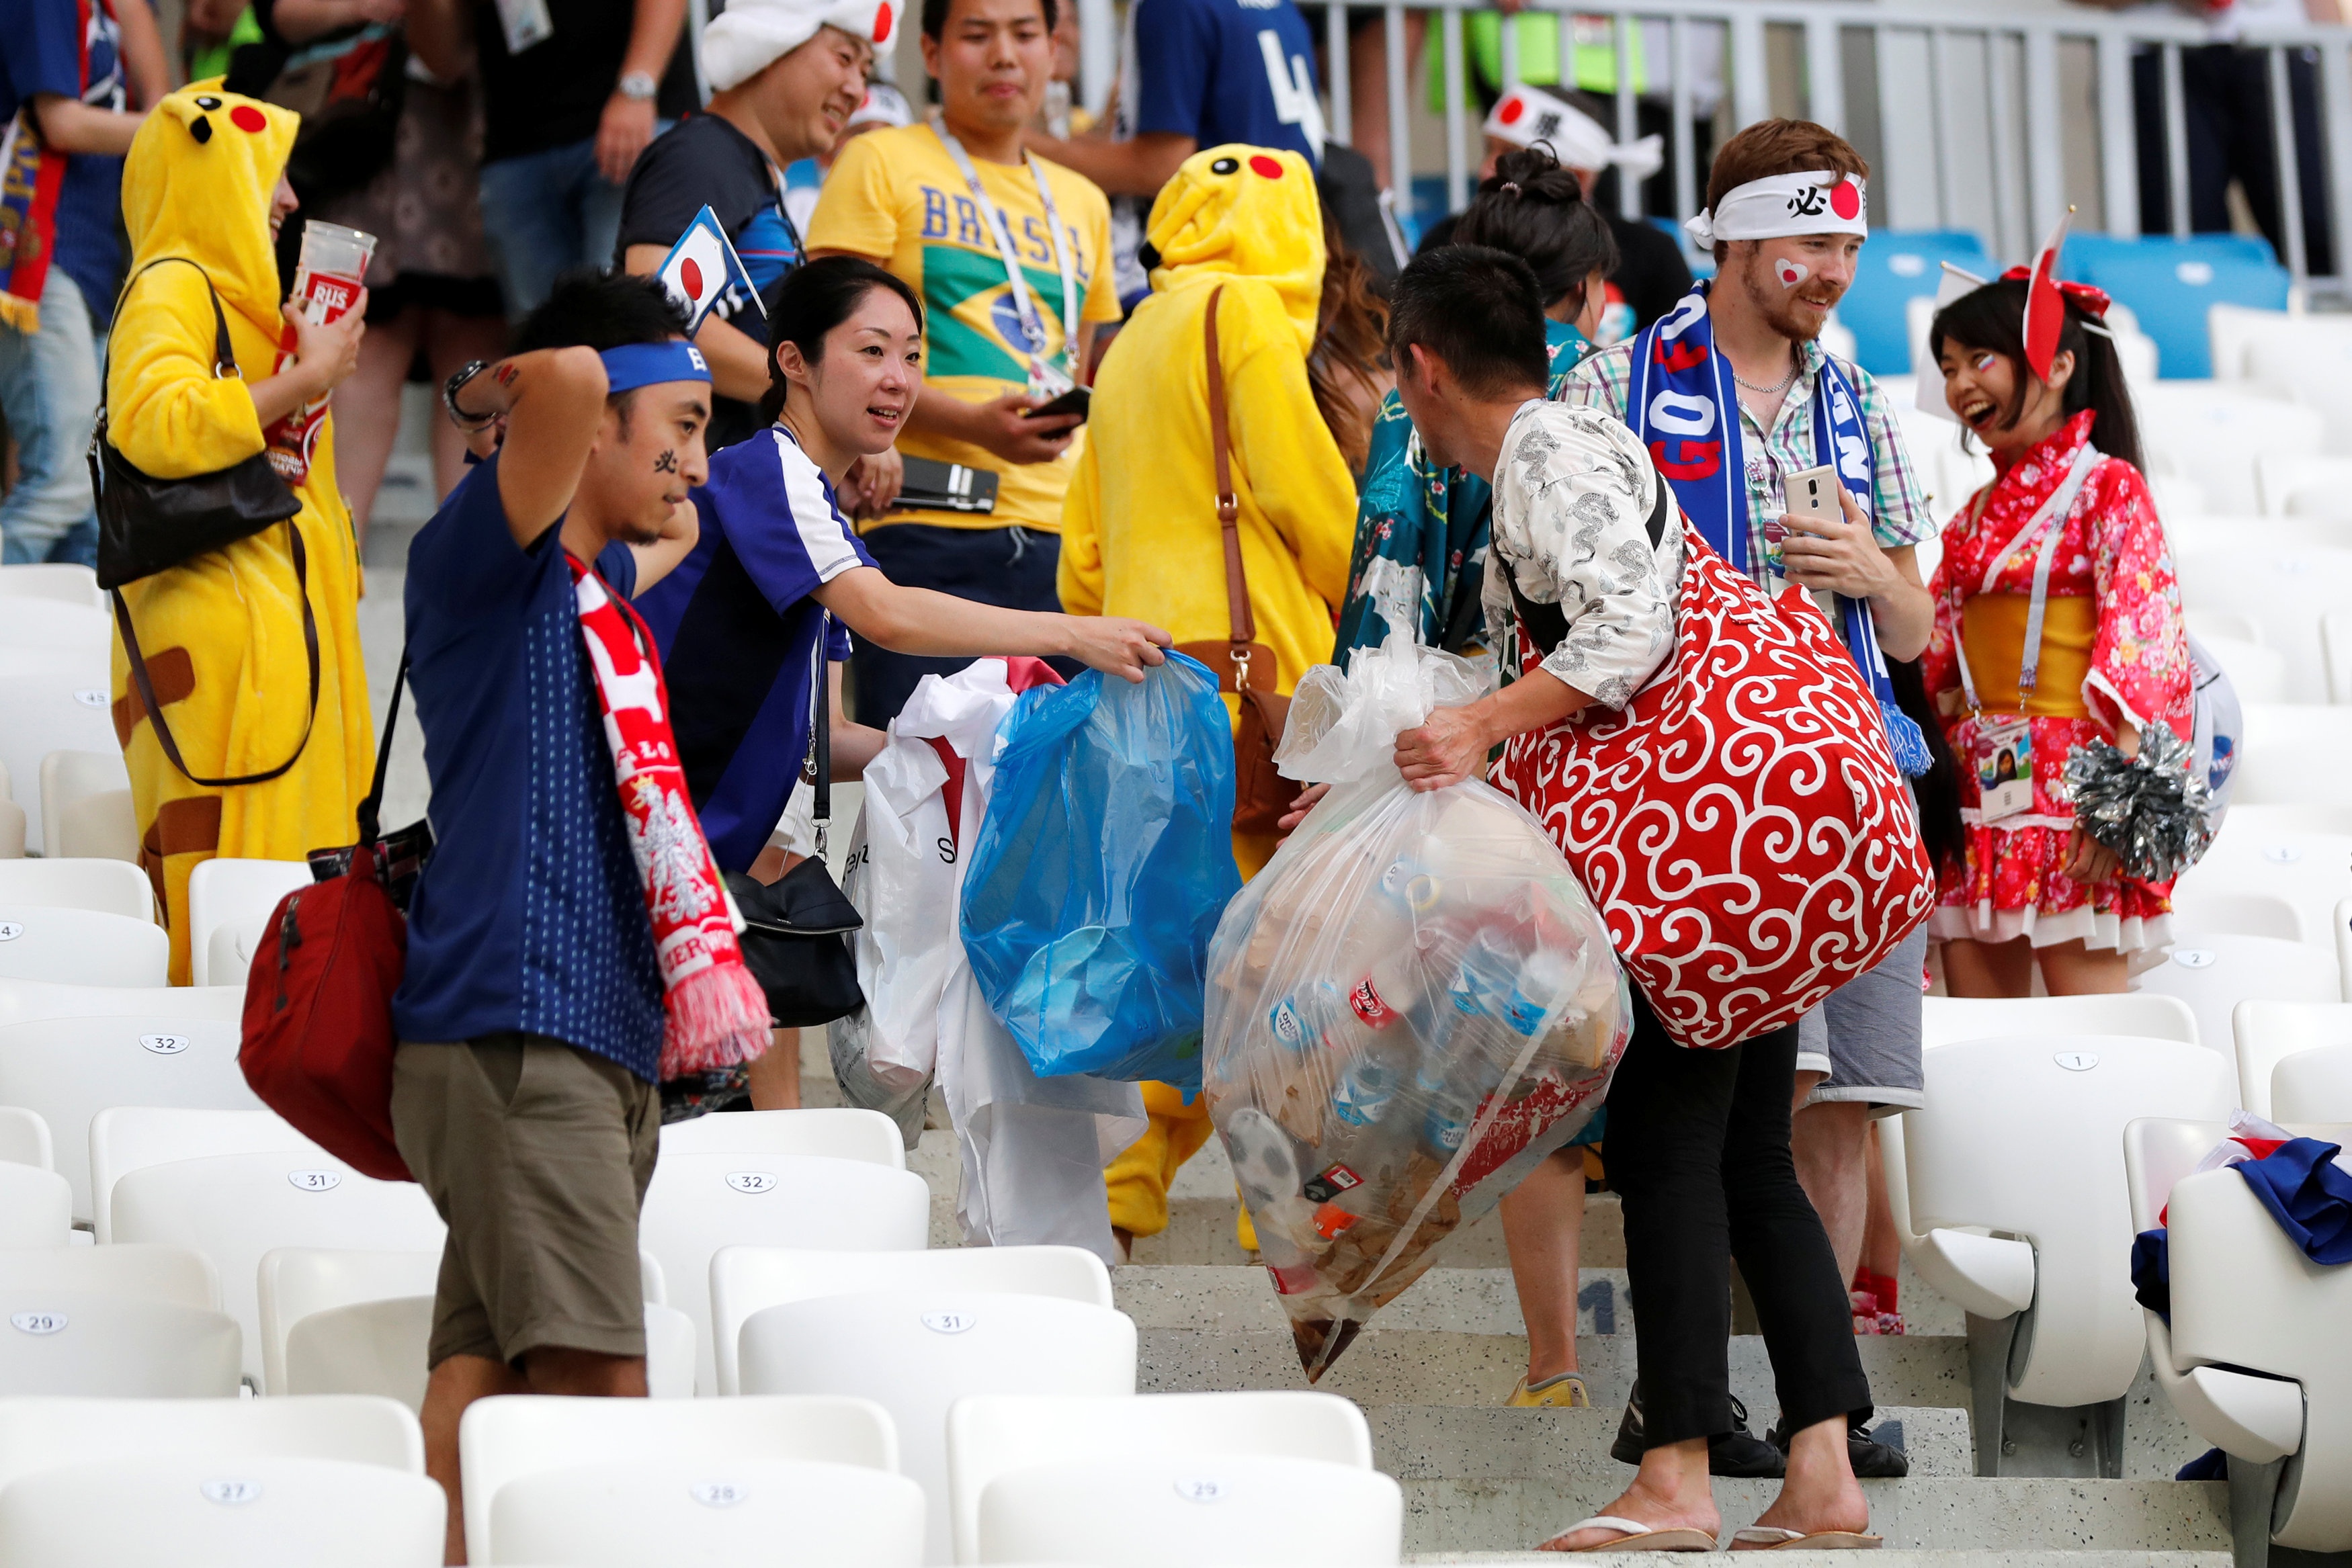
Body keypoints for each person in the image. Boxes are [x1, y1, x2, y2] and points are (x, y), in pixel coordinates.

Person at [1379, 242, 1876, 1555]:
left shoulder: (1543, 460)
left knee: (1664, 1151)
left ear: (1422, 369)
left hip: (1701, 857)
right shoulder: (1575, 444)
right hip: (1753, 839)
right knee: (1749, 1156)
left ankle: (1674, 1476)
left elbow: (1624, 633)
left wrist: (1480, 723)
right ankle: (1820, 1473)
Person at [1560, 121, 1932, 1465]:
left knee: (1827, 1112)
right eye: (1805, 240)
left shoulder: (1858, 401)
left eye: (1846, 241)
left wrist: (1872, 574)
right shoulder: (1616, 382)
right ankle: (1701, 1396)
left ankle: (1815, 1411)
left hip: (1841, 802)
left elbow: (1914, 629)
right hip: (1692, 806)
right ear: (1729, 235)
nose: (1831, 268)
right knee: (1716, 1117)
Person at [636, 254, 1170, 1112]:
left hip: (702, 861)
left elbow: (827, 739)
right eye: (872, 350)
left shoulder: (820, 509)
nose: (898, 379)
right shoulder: (764, 471)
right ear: (793, 363)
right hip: (649, 846)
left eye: (914, 357)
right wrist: (1072, 633)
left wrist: (977, 751)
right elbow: (884, 614)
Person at [394, 271, 731, 1563]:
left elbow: (677, 526)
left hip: (569, 1039)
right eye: (686, 424)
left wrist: (651, 433)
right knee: (600, 1403)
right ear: (584, 423)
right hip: (522, 1033)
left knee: (479, 1390)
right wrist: (500, 392)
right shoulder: (479, 555)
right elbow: (581, 381)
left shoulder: (597, 599)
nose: (698, 464)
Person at [1060, 144, 1359, 1259]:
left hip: (1139, 675)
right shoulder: (1247, 316)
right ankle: (1275, 1202)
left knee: (1184, 945)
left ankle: (1132, 1180)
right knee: (1281, 952)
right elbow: (1303, 489)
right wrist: (1367, 597)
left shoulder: (1133, 335)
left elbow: (1078, 561)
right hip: (1256, 676)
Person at [106, 83, 373, 984]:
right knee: (221, 888)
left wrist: (308, 365)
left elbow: (278, 460)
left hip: (271, 645)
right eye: (269, 173)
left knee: (276, 891)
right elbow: (158, 422)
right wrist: (304, 380)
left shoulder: (237, 299)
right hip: (220, 653)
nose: (290, 199)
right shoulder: (170, 284)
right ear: (215, 175)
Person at [806, 0, 1120, 728]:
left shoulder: (1083, 201)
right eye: (977, 35)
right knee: (931, 803)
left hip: (1066, 545)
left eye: (1023, 34)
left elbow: (1075, 358)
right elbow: (831, 345)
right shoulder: (880, 160)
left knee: (1056, 817)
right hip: (926, 524)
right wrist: (972, 426)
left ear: (1054, 46)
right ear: (934, 54)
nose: (1003, 55)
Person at [1923, 269, 2191, 997]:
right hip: (1975, 790)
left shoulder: (2108, 487)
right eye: (1947, 367)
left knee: (2091, 1041)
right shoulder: (1970, 515)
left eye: (1979, 359)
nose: (1957, 385)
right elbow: (1930, 663)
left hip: (2076, 796)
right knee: (1984, 1050)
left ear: (2059, 364)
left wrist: (2118, 808)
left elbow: (2145, 644)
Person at [1335, 144, 1612, 672]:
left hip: (1449, 709)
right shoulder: (1607, 377)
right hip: (1584, 699)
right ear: (1583, 286)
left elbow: (1387, 561)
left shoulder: (1418, 384)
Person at [256, 0, 507, 537]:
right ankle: (329, 568)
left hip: (473, 137)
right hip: (355, 131)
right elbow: (278, 16)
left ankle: (464, 582)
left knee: (469, 355)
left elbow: (447, 57)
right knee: (360, 343)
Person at [616, 0, 888, 459]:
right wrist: (815, 399)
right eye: (844, 58)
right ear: (771, 42)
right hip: (688, 500)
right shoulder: (704, 154)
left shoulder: (738, 166)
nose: (856, 90)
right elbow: (656, 309)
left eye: (865, 71)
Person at [0, 0, 165, 566]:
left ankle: (75, 645)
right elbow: (62, 122)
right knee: (63, 483)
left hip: (90, 259)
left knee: (93, 492)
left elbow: (158, 91)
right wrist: (179, 126)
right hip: (42, 255)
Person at [407, 0, 696, 318]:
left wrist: (638, 86)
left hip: (628, 120)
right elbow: (444, 62)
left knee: (627, 329)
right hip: (516, 148)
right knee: (542, 346)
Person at [1021, 0, 1323, 304]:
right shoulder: (1280, 6)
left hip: (1212, 268)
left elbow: (1161, 167)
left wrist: (1017, 141)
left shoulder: (1172, 6)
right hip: (1290, 248)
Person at [1473, 82, 1687, 340]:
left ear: (1578, 176)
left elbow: (1683, 362)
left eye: (1509, 157)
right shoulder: (1453, 241)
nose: (1486, 170)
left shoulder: (1651, 254)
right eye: (1489, 150)